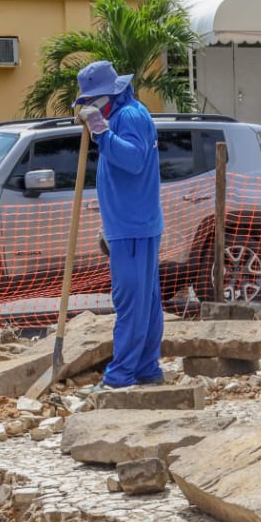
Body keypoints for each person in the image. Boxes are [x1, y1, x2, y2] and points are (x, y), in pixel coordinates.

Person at [74, 59, 165, 391]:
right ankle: (146, 369)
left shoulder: (128, 116)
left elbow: (133, 160)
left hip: (134, 227)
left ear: (110, 93)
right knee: (145, 302)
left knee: (131, 303)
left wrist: (101, 131)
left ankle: (121, 375)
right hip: (129, 225)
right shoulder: (125, 114)